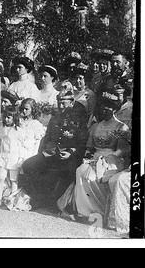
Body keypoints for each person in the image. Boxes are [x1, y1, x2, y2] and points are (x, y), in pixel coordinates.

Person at [57, 90, 130, 221]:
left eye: (108, 107)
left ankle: (100, 210)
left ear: (114, 109)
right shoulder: (96, 126)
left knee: (93, 176)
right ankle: (84, 211)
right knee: (81, 171)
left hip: (112, 159)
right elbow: (89, 147)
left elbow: (121, 150)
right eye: (102, 107)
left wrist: (107, 158)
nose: (104, 110)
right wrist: (87, 158)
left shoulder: (121, 127)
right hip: (95, 158)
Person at [22, 81, 88, 210]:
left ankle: (56, 200)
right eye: (59, 102)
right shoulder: (54, 119)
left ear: (72, 103)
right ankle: (41, 195)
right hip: (51, 153)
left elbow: (82, 143)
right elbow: (46, 139)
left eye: (64, 103)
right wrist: (42, 152)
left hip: (69, 155)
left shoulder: (79, 121)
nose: (61, 106)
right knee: (28, 165)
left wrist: (70, 152)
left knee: (67, 171)